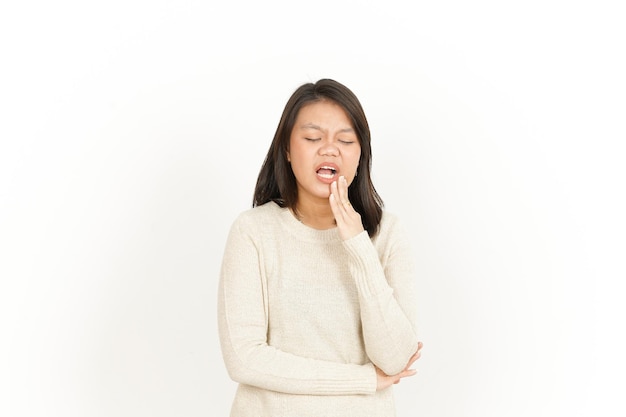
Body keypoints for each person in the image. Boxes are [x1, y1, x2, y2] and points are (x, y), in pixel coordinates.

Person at [217, 78, 423, 417]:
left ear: (360, 155)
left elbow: (395, 358)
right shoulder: (253, 231)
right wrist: (361, 379)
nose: (329, 149)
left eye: (345, 140)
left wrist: (358, 245)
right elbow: (244, 358)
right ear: (286, 148)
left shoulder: (387, 234)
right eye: (313, 138)